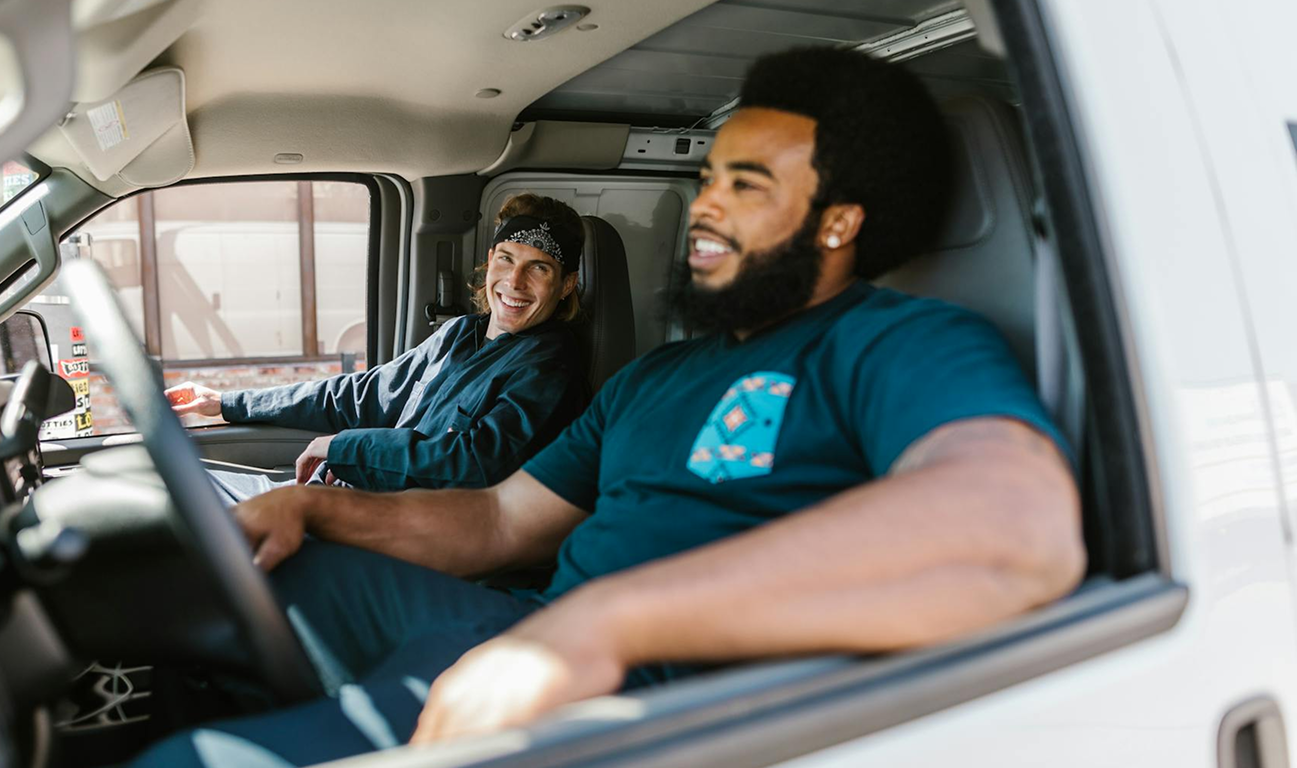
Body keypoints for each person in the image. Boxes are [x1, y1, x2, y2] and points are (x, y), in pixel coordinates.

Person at [131, 46, 1085, 767]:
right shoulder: (654, 377)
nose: (705, 206)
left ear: (838, 222)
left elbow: (1014, 526)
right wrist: (316, 506)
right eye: (708, 178)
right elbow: (499, 520)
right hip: (530, 625)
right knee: (220, 572)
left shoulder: (900, 342)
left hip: (650, 698)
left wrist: (605, 624)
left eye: (747, 186)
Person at [164, 193, 590, 496]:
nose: (515, 282)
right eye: (507, 259)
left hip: (392, 524)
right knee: (172, 486)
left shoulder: (550, 365)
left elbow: (477, 462)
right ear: (491, 259)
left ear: (567, 284)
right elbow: (362, 394)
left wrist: (346, 448)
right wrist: (227, 403)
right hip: (345, 496)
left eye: (539, 268)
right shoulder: (461, 333)